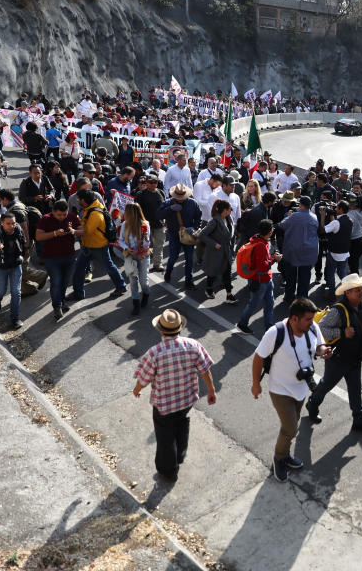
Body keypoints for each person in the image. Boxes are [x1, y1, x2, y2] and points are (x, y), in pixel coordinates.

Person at [250, 298, 330, 482]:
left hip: (301, 388)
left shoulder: (312, 328)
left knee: (289, 428)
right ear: (294, 318)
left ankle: (285, 455)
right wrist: (256, 383)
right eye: (308, 319)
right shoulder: (275, 332)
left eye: (312, 319)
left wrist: (324, 351)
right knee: (291, 427)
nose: (312, 322)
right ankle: (279, 458)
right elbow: (258, 357)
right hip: (280, 389)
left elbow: (319, 346)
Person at [133, 309, 216, 482]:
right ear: (180, 328)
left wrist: (137, 389)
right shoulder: (193, 345)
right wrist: (211, 390)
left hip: (164, 404)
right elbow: (205, 370)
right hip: (187, 399)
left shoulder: (154, 353)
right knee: (182, 423)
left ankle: (168, 471)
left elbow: (144, 378)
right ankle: (180, 455)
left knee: (165, 435)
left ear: (161, 330)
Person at [305, 274, 362, 435]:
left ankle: (359, 420)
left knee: (355, 389)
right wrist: (342, 332)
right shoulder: (337, 311)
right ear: (347, 293)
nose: (361, 292)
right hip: (338, 360)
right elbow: (320, 328)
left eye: (361, 289)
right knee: (326, 385)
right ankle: (312, 404)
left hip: (355, 358)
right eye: (356, 290)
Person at [70, 189, 127, 301]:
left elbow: (87, 231)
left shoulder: (95, 213)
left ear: (84, 200)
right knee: (79, 269)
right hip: (88, 245)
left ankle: (121, 286)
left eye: (79, 199)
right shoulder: (89, 208)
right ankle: (78, 293)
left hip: (98, 247)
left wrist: (72, 231)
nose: (77, 200)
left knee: (109, 267)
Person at [34, 200, 79, 321]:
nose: (62, 217)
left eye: (64, 214)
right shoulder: (45, 219)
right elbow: (38, 236)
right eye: (59, 214)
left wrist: (73, 231)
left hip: (69, 256)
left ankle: (62, 300)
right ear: (53, 212)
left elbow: (83, 231)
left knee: (65, 282)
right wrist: (54, 233)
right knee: (56, 282)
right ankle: (57, 307)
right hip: (51, 258)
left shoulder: (72, 217)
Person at [236, 219, 280, 335]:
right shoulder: (260, 245)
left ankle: (269, 328)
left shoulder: (258, 239)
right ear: (269, 232)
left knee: (270, 303)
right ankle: (242, 323)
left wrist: (270, 257)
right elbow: (263, 267)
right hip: (261, 280)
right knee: (254, 304)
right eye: (272, 229)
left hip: (266, 279)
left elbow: (262, 261)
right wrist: (274, 259)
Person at [0, 212, 26, 330]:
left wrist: (22, 255)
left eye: (13, 223)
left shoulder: (18, 229)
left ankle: (15, 318)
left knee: (16, 292)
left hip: (16, 265)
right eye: (8, 224)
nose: (11, 226)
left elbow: (23, 242)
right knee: (1, 291)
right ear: (1, 223)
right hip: (0, 267)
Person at [157, 183, 202, 290]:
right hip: (174, 235)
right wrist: (170, 209)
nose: (180, 199)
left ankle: (189, 281)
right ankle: (168, 272)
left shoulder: (193, 203)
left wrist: (194, 227)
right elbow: (158, 215)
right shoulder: (168, 203)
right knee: (173, 257)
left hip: (188, 235)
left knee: (189, 259)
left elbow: (198, 217)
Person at [278, 196, 319, 302]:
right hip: (310, 251)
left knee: (291, 275)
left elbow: (282, 225)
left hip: (294, 250)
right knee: (305, 276)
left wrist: (288, 216)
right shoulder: (314, 216)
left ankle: (289, 297)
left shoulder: (294, 216)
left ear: (300, 205)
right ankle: (302, 298)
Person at [118, 202, 152, 314]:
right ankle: (136, 303)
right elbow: (121, 240)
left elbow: (148, 244)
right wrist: (126, 248)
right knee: (133, 281)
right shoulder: (125, 225)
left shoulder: (145, 225)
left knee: (143, 281)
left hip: (143, 256)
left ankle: (146, 294)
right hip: (130, 256)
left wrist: (145, 238)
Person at [200, 199, 236, 303]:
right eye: (230, 209)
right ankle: (209, 289)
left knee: (227, 272)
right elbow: (202, 235)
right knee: (213, 273)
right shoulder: (214, 221)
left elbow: (230, 234)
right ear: (224, 210)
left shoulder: (229, 218)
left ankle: (229, 295)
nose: (231, 211)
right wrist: (214, 244)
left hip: (226, 251)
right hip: (216, 252)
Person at [322, 200, 352, 298]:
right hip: (345, 251)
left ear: (341, 209)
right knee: (341, 271)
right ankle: (349, 290)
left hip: (334, 252)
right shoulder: (350, 220)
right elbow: (338, 230)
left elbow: (323, 230)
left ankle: (332, 294)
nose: (335, 209)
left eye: (337, 207)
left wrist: (322, 216)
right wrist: (333, 220)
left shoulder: (336, 222)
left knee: (331, 273)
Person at [135, 174, 166, 272]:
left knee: (159, 244)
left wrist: (166, 220)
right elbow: (136, 210)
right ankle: (142, 264)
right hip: (145, 225)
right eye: (151, 182)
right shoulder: (140, 194)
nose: (153, 184)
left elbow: (164, 207)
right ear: (146, 183)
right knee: (144, 245)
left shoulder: (161, 192)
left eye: (155, 182)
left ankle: (158, 264)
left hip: (159, 223)